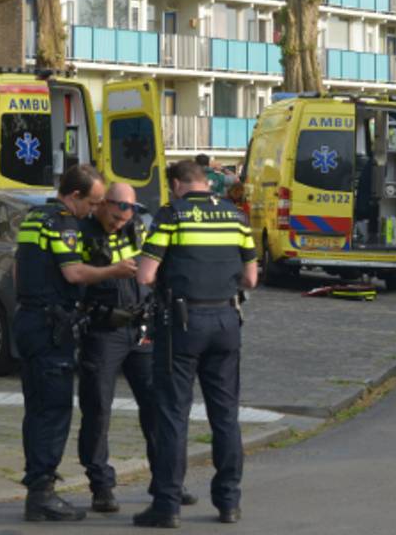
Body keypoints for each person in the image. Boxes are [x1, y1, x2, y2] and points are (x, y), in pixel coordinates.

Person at [133, 160, 258, 528]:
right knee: (225, 415)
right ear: (206, 183)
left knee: (173, 414)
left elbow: (145, 274)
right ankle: (229, 502)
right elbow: (251, 278)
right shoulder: (236, 217)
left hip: (183, 324)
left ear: (176, 184)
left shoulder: (172, 215)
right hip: (226, 320)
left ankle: (167, 505)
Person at [77, 183, 199, 514]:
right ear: (102, 205)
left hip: (141, 329)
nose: (119, 222)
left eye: (125, 216)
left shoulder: (138, 228)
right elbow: (72, 276)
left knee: (158, 406)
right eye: (115, 216)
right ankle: (101, 485)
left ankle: (166, 481)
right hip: (103, 331)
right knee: (98, 408)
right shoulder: (82, 232)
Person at [15, 164, 119, 522]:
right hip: (50, 325)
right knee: (55, 410)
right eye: (91, 202)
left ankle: (37, 487)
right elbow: (73, 272)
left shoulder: (33, 217)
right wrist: (114, 271)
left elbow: (19, 270)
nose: (93, 210)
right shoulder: (62, 221)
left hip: (28, 319)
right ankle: (42, 494)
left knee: (36, 408)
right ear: (74, 196)